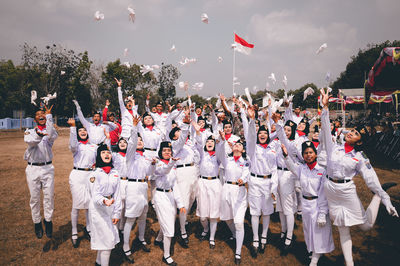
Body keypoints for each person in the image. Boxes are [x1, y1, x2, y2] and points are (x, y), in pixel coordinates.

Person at [319, 88, 398, 266]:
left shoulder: (360, 158)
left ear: (360, 141)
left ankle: (378, 197)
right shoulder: (335, 147)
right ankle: (350, 263)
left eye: (355, 134)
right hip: (330, 189)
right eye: (352, 130)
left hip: (346, 191)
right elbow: (325, 130)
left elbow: (371, 180)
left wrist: (386, 200)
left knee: (366, 226)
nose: (351, 133)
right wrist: (324, 108)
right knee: (342, 228)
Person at [283, 141, 335, 266]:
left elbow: (323, 194)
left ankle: (315, 259)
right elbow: (292, 167)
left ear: (315, 154)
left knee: (318, 232)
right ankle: (313, 251)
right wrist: (286, 156)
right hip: (305, 204)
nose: (308, 155)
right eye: (305, 153)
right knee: (308, 230)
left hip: (317, 203)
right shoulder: (302, 169)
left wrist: (323, 213)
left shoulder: (322, 171)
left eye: (311, 152)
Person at [122, 115, 156, 264]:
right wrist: (135, 128)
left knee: (143, 215)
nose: (140, 142)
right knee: (130, 218)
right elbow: (131, 143)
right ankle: (125, 247)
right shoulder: (131, 156)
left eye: (142, 141)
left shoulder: (145, 157)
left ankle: (141, 239)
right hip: (133, 187)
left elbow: (149, 173)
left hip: (143, 187)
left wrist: (153, 164)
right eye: (138, 141)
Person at [245, 107, 278, 257]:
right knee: (255, 211)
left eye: (265, 133)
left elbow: (275, 169)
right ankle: (256, 239)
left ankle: (264, 236)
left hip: (268, 182)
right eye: (261, 133)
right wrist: (252, 121)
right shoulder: (253, 148)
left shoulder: (272, 148)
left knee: (267, 211)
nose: (263, 135)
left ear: (268, 135)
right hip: (255, 182)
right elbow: (251, 137)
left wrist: (274, 187)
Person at [24, 105, 58, 239]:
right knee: (34, 198)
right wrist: (38, 135)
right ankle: (37, 222)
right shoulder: (29, 131)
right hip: (33, 168)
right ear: (34, 119)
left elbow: (52, 136)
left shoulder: (50, 130)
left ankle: (48, 221)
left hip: (47, 168)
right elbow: (30, 141)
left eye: (43, 114)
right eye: (38, 115)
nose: (41, 116)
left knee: (49, 197)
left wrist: (49, 116)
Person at [152, 140, 187, 266]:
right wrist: (171, 162)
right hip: (160, 196)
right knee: (169, 228)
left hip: (170, 195)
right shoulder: (157, 163)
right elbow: (163, 171)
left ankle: (158, 239)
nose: (167, 152)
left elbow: (174, 185)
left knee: (169, 221)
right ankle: (166, 255)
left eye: (169, 150)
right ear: (160, 152)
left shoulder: (173, 166)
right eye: (164, 150)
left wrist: (180, 204)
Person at [219, 131, 249, 265]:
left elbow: (246, 173)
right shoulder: (227, 160)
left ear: (243, 149)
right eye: (235, 144)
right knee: (227, 218)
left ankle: (237, 252)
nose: (237, 146)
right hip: (226, 189)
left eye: (239, 145)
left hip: (239, 191)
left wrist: (243, 179)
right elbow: (220, 153)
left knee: (238, 221)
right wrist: (222, 141)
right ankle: (235, 234)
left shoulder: (246, 162)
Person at [89, 144, 122, 266]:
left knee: (107, 238)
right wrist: (104, 201)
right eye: (103, 153)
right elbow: (95, 195)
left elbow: (117, 195)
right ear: (98, 156)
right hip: (99, 210)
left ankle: (98, 262)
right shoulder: (95, 173)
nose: (106, 154)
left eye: (108, 152)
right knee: (108, 241)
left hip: (111, 208)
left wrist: (117, 212)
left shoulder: (115, 173)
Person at [169, 118, 199, 247]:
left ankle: (183, 221)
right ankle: (182, 232)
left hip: (193, 171)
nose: (180, 132)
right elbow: (182, 138)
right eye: (178, 131)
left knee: (192, 198)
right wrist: (186, 124)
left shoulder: (189, 143)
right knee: (184, 203)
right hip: (182, 172)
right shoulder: (174, 144)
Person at [67, 118, 97, 247]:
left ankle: (89, 228)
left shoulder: (93, 145)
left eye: (85, 130)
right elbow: (73, 144)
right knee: (77, 204)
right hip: (77, 174)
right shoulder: (76, 146)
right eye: (80, 130)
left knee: (90, 203)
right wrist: (73, 128)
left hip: (90, 175)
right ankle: (74, 230)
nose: (83, 132)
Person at [193, 123, 223, 249]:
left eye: (212, 141)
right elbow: (199, 145)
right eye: (208, 142)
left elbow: (222, 151)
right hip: (203, 183)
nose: (209, 143)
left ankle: (211, 237)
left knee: (213, 212)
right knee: (203, 214)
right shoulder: (202, 155)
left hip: (215, 183)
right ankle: (205, 229)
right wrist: (199, 133)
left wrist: (221, 141)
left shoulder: (218, 156)